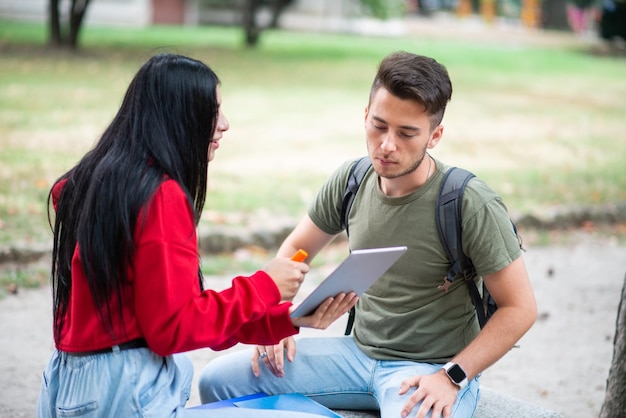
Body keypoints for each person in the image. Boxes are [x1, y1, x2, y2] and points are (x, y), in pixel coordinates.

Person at [198, 51, 538, 418]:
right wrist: (277, 317)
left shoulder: (468, 202)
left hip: (429, 370)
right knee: (217, 381)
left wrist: (452, 377)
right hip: (355, 355)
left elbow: (519, 309)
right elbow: (297, 248)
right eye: (379, 126)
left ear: (435, 136)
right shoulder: (352, 180)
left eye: (407, 133)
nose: (387, 145)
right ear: (365, 116)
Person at [36, 53, 357, 418]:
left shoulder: (97, 185)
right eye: (213, 110)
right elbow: (173, 329)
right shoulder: (160, 196)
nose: (224, 124)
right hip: (123, 398)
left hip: (71, 392)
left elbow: (178, 314)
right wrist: (265, 285)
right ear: (179, 116)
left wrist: (289, 319)